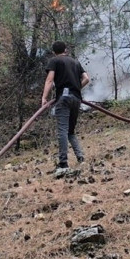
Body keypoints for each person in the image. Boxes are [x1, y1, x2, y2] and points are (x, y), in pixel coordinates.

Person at [41, 41, 91, 171]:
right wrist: (75, 88)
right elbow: (86, 78)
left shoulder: (55, 61)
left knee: (62, 130)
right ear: (66, 49)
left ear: (54, 52)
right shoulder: (75, 62)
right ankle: (80, 157)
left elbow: (50, 80)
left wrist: (44, 97)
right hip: (76, 99)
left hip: (63, 99)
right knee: (70, 131)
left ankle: (63, 164)